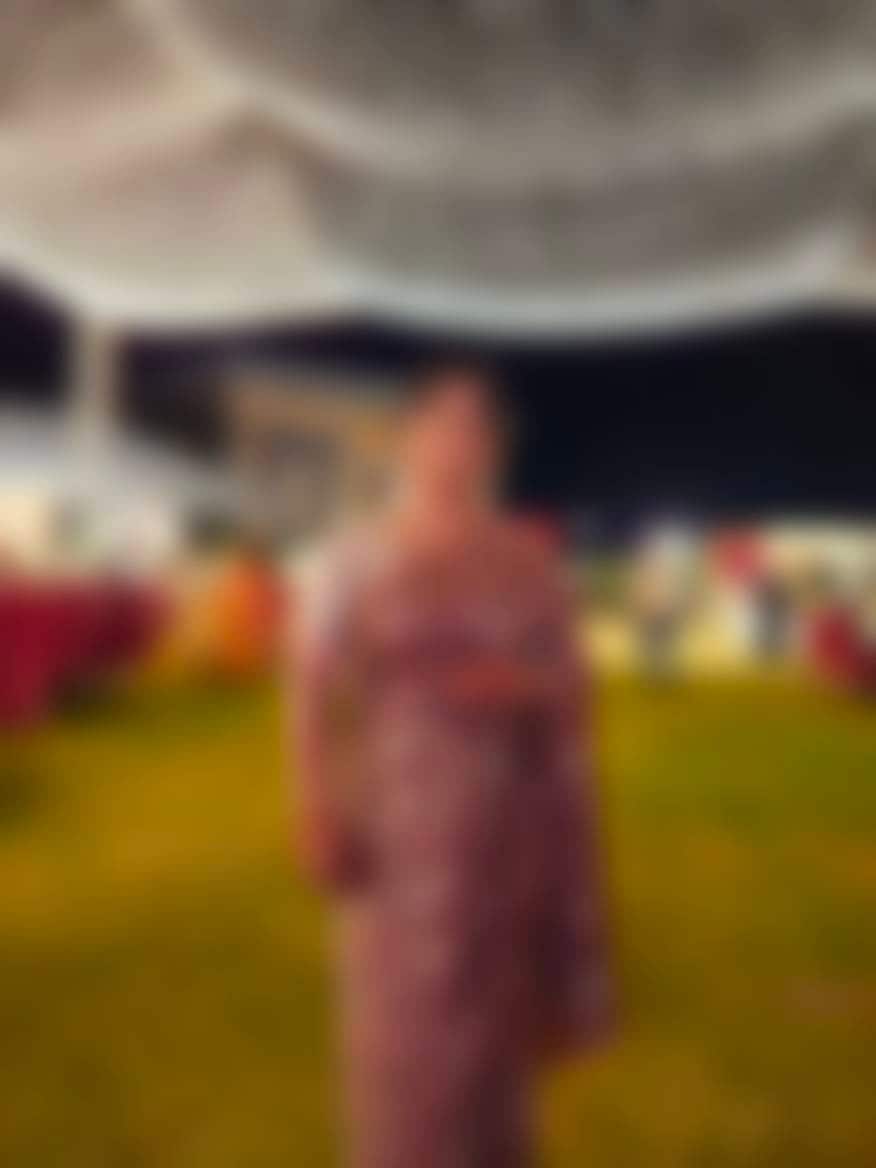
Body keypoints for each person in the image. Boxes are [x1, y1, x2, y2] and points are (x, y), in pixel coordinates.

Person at [292, 365, 615, 1168]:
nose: (454, 443)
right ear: (406, 438)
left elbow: (573, 682)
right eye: (439, 423)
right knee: (400, 1034)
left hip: (501, 828)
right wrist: (315, 804)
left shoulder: (527, 561)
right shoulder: (352, 557)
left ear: (492, 449)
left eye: (474, 427)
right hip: (391, 828)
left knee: (490, 1037)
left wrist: (522, 685)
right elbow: (310, 687)